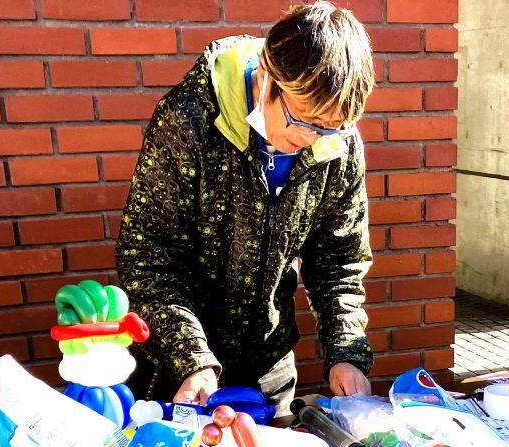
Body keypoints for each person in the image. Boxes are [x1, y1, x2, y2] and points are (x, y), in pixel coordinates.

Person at [117, 1, 376, 417]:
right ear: (268, 76)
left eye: (329, 127)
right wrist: (191, 357)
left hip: (267, 371)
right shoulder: (189, 119)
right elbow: (147, 256)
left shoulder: (337, 141)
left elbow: (339, 262)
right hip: (179, 374)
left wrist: (346, 352)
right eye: (303, 120)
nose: (313, 139)